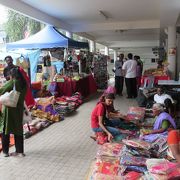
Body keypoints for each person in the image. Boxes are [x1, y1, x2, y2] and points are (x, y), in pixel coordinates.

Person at [0, 67, 27, 157]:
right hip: (19, 109)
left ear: (12, 75)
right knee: (18, 130)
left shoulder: (13, 82)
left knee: (5, 129)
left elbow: (1, 90)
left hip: (10, 110)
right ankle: (20, 152)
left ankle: (5, 152)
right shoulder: (24, 83)